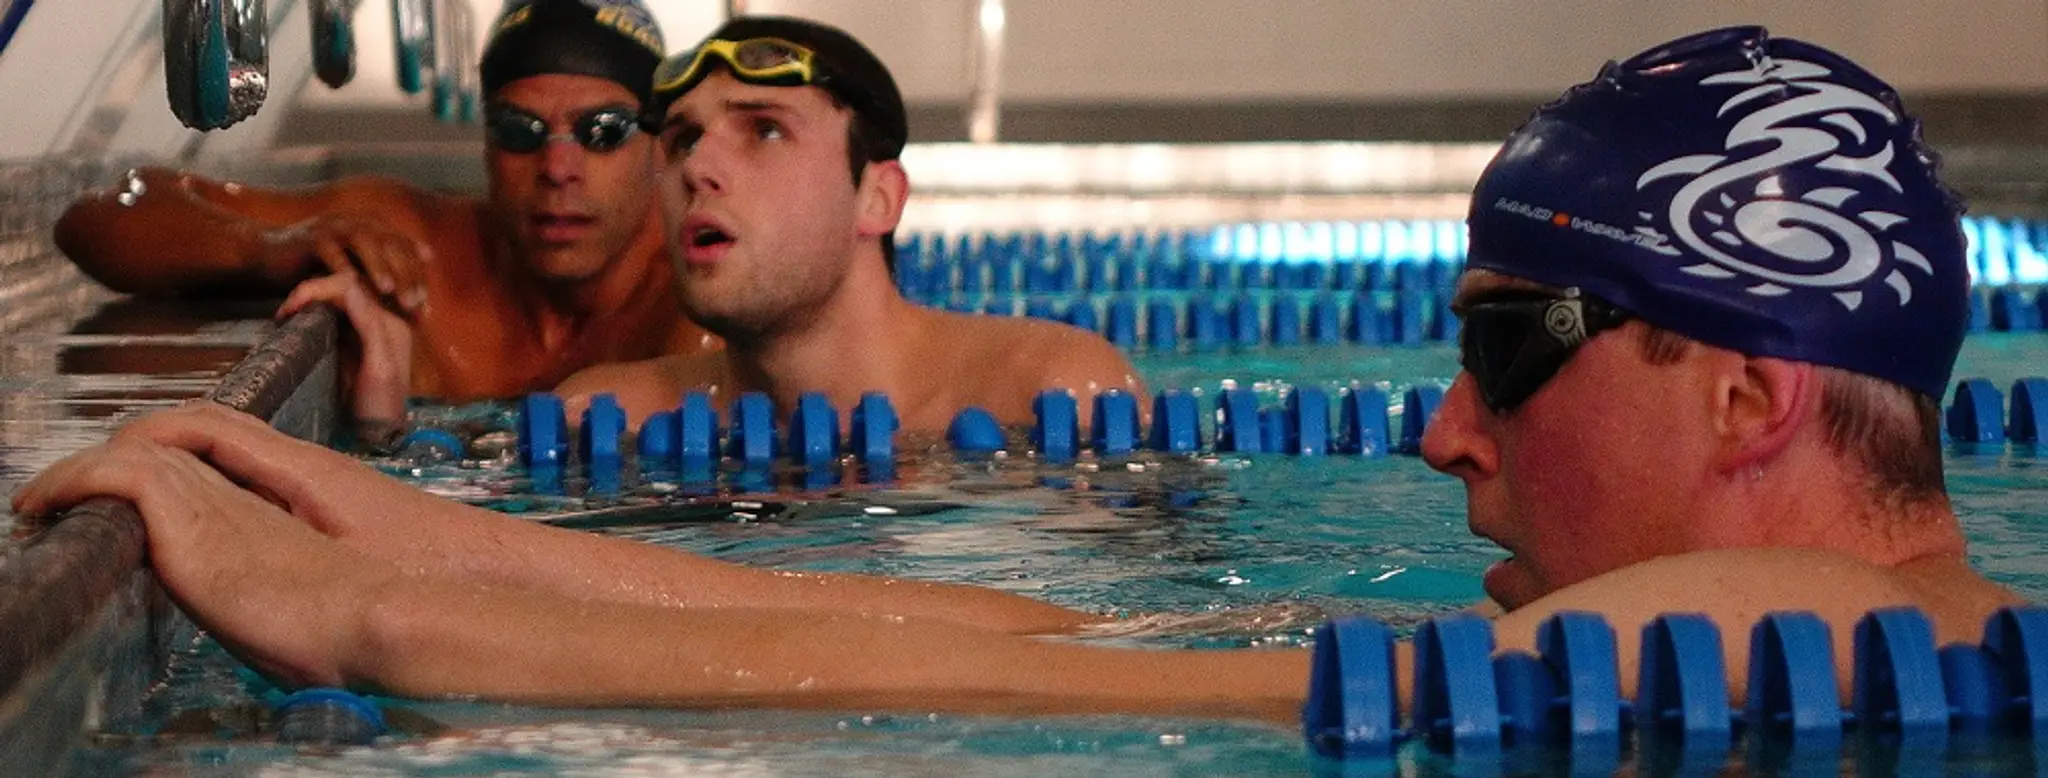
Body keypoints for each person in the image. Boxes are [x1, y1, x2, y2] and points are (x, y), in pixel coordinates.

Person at [14, 26, 2026, 720]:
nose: (1437, 429)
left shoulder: (1799, 642)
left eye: (1505, 350)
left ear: (1747, 392)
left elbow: (1059, 684)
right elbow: (1010, 625)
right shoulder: (1753, 650)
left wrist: (374, 615)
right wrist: (395, 525)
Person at [53, 0, 716, 438]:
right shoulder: (414, 241)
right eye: (521, 130)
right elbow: (101, 216)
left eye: (603, 130)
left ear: (661, 145)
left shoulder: (700, 301)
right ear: (487, 144)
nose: (558, 166)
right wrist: (271, 247)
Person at [550, 16, 1142, 433]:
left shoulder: (1047, 396)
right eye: (684, 139)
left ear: (877, 199)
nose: (697, 168)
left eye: (765, 130)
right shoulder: (602, 418)